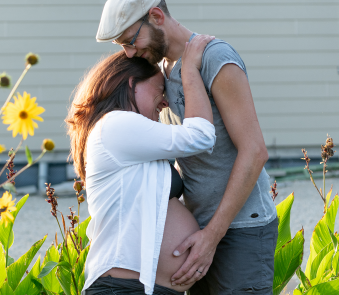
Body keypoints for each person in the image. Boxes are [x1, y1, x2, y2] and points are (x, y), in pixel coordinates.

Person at [96, 0, 278, 294]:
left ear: (156, 16)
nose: (129, 53)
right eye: (122, 46)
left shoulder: (214, 58)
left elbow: (255, 151)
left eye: (131, 41)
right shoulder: (160, 73)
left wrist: (211, 236)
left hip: (239, 229)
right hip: (200, 234)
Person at [66, 35, 216, 294]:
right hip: (123, 287)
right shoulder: (115, 124)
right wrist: (189, 70)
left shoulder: (130, 139)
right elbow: (201, 136)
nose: (166, 101)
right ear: (131, 83)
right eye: (160, 90)